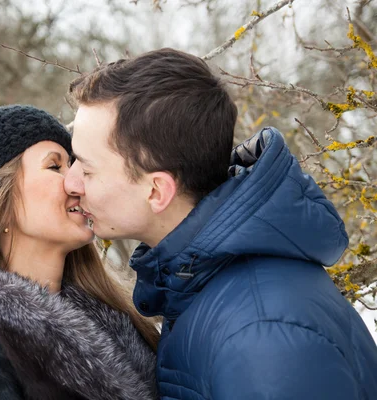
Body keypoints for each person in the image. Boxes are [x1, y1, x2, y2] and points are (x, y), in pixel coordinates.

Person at [64, 48, 377, 400]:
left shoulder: (262, 338)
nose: (71, 183)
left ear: (157, 191)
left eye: (87, 169)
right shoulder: (200, 283)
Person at [0, 105, 159, 400]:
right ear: (0, 202)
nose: (76, 181)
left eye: (74, 165)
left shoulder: (118, 319)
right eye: (55, 166)